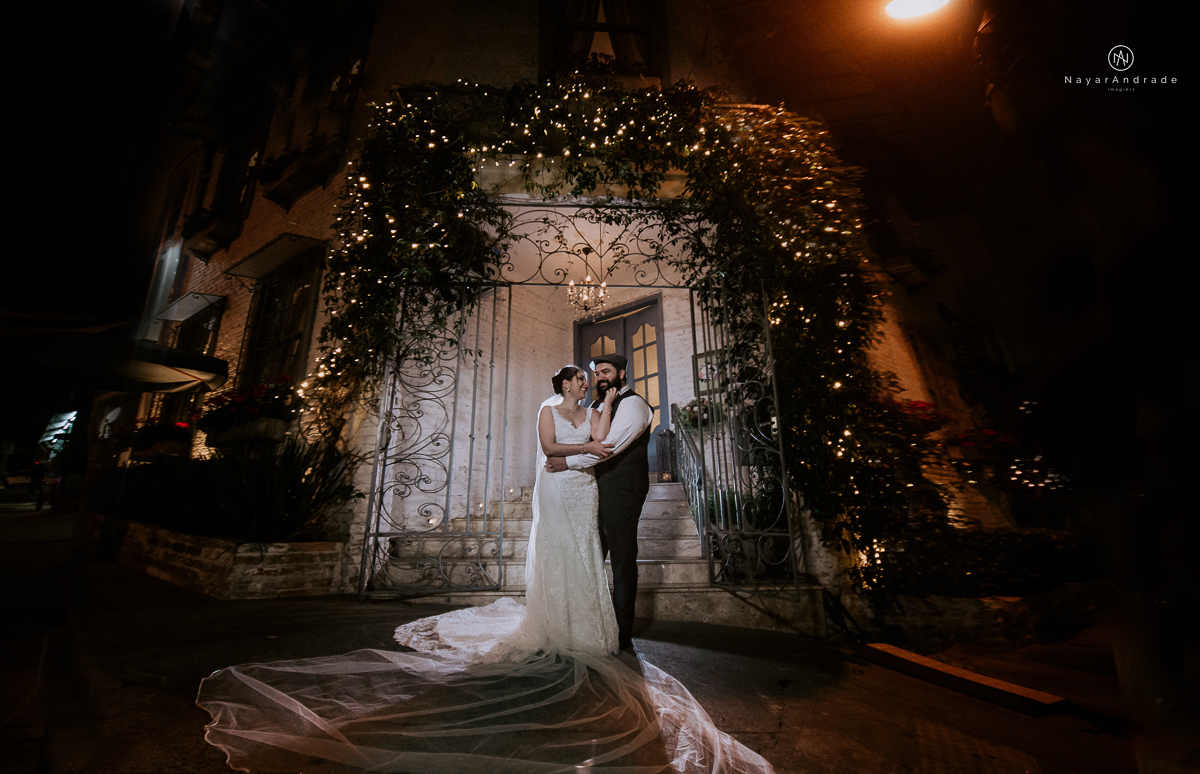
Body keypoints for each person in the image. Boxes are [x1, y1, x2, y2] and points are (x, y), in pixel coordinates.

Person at [195, 364, 775, 774]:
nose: (587, 383)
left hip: (587, 492)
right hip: (563, 485)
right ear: (564, 383)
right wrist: (587, 451)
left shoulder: (603, 407)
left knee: (585, 557)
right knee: (562, 552)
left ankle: (593, 628)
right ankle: (557, 623)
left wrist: (599, 422)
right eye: (581, 378)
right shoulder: (549, 408)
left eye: (593, 379)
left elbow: (605, 439)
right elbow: (552, 453)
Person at [545, 354, 653, 653]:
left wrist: (568, 462)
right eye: (596, 374)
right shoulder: (594, 407)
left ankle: (621, 631)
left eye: (606, 372)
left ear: (622, 372)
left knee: (621, 556)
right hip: (593, 487)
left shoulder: (634, 404)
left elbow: (610, 447)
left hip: (623, 486)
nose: (600, 378)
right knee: (590, 554)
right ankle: (589, 624)